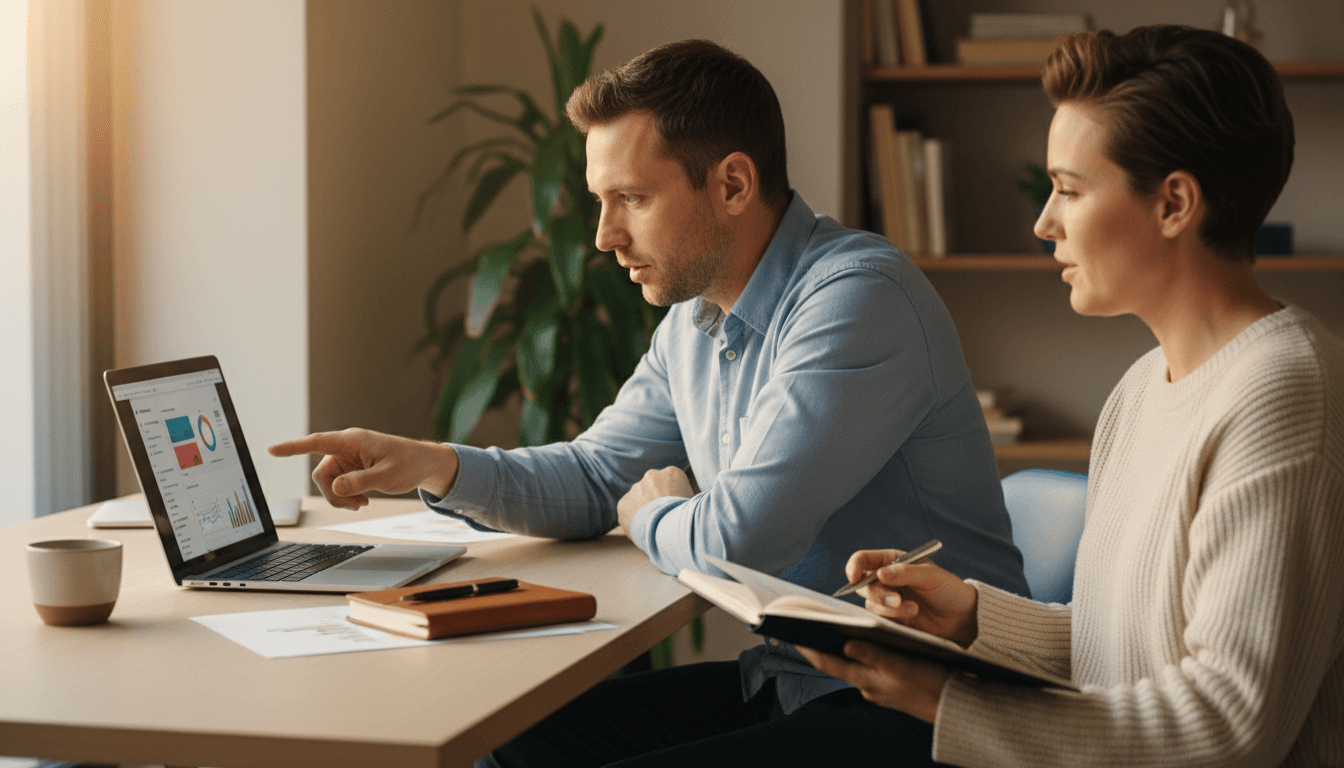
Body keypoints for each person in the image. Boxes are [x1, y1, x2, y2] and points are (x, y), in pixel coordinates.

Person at [271, 39, 1028, 766]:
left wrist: (651, 516)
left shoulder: (859, 298)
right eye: (602, 201)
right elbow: (600, 475)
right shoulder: (696, 322)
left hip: (931, 713)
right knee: (517, 747)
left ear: (732, 184)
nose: (604, 236)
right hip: (798, 679)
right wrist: (434, 465)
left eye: (631, 198)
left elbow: (738, 539)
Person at [800, 25, 1344, 767]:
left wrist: (942, 701)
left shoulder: (1284, 396)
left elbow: (1229, 726)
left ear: (1175, 204)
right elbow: (1118, 647)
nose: (1043, 221)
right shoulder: (1139, 388)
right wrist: (968, 619)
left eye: (1069, 189)